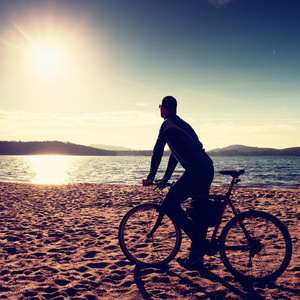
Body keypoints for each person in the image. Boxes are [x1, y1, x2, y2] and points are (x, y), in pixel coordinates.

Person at [142, 96, 214, 267]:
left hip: (197, 172)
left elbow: (158, 150)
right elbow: (175, 156)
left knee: (169, 205)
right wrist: (166, 178)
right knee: (199, 212)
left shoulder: (168, 124)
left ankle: (200, 244)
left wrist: (151, 176)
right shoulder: (179, 123)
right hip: (206, 169)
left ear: (164, 108)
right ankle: (197, 259)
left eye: (159, 106)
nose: (159, 109)